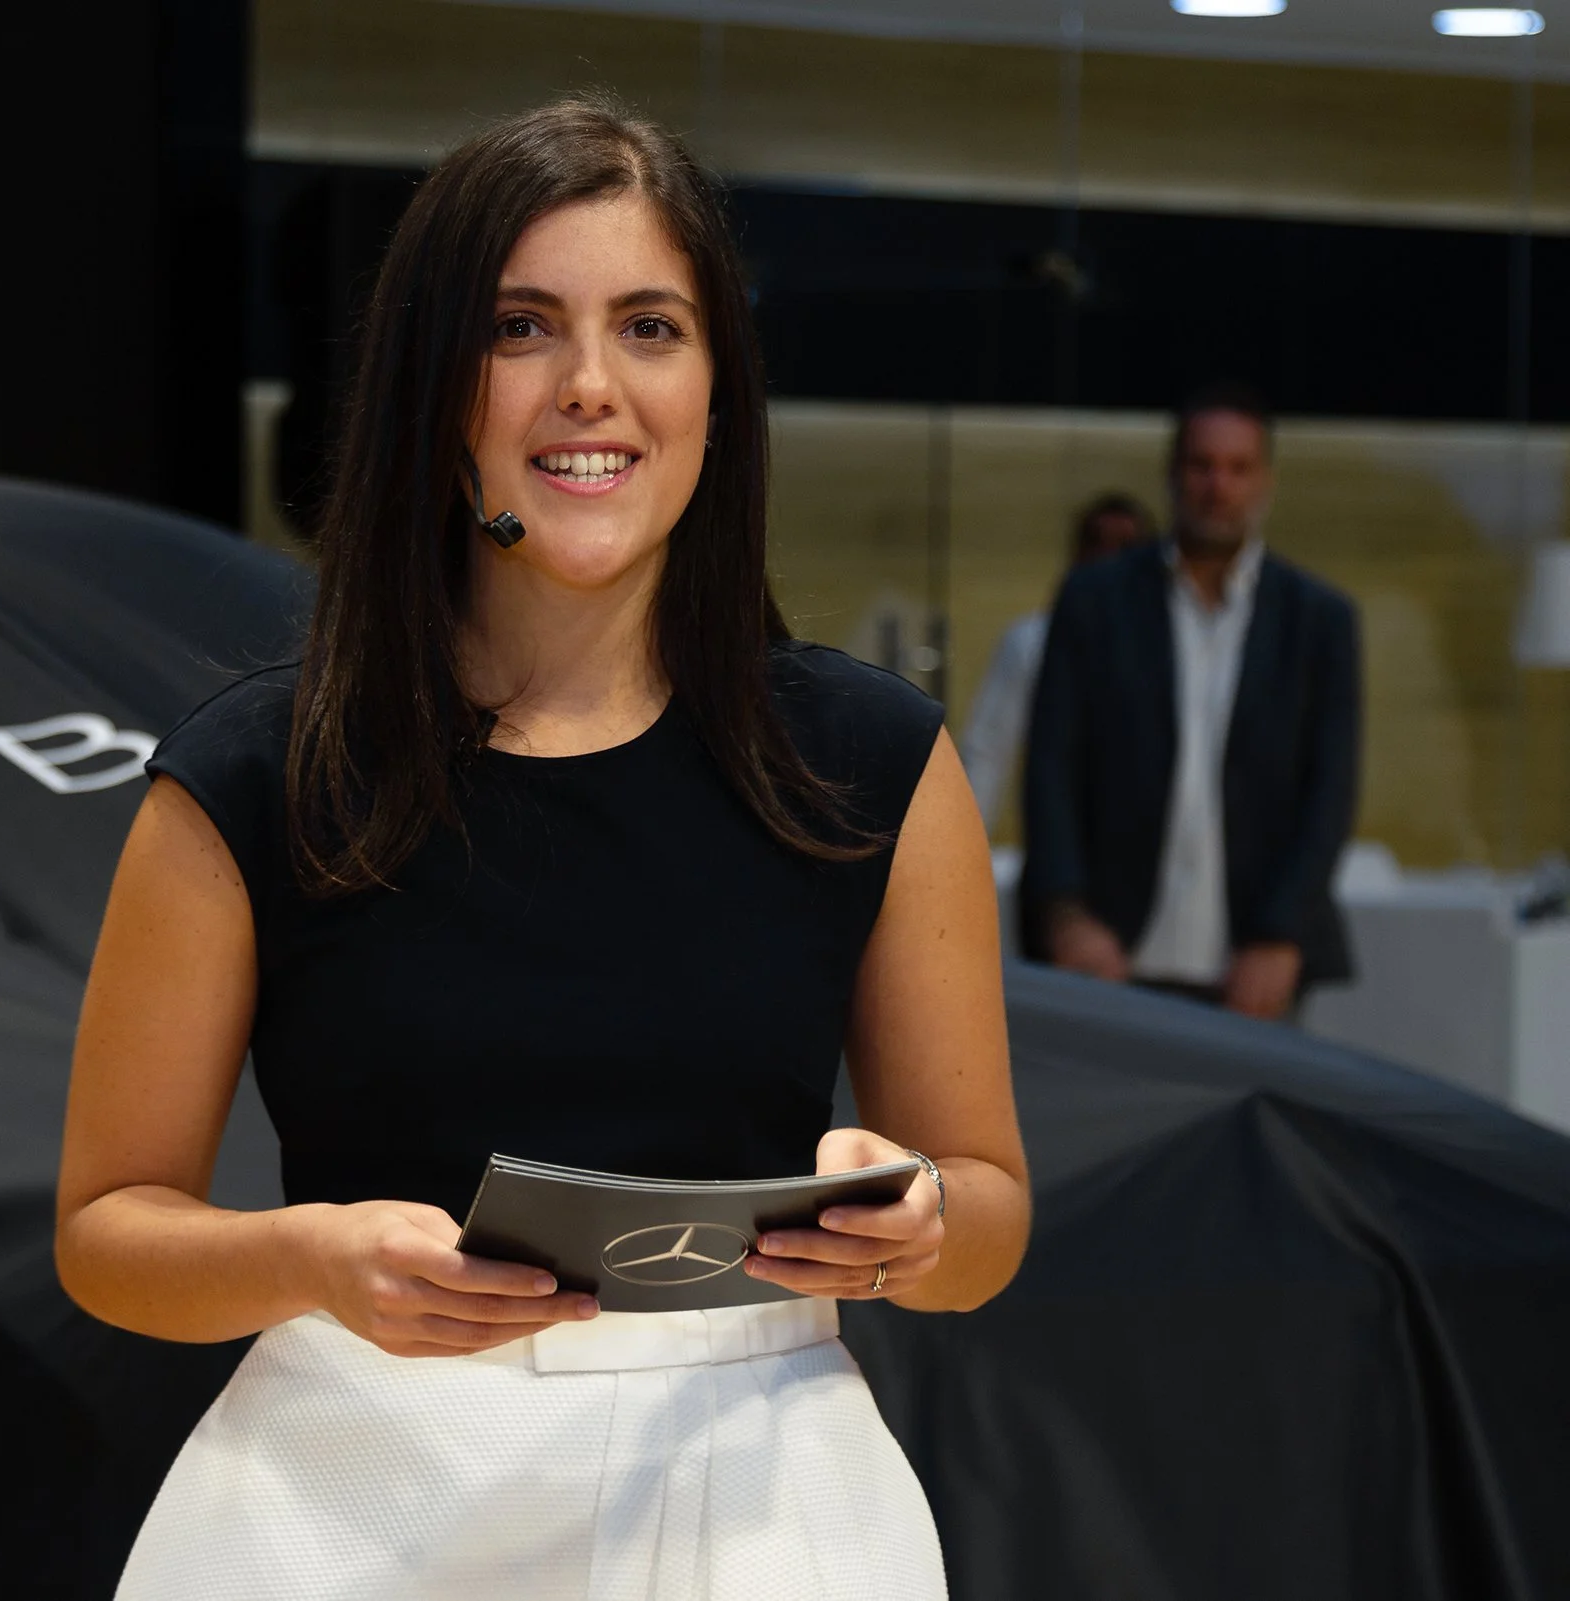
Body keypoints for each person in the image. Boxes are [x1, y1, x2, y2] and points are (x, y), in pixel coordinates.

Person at [56, 94, 1029, 1601]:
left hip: (762, 1488)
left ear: (718, 387)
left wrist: (916, 1223)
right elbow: (107, 1233)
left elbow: (988, 1219)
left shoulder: (868, 758)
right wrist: (313, 1261)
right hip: (349, 1486)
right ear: (437, 386)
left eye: (651, 328)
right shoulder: (260, 771)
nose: (591, 387)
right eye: (521, 330)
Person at [1020, 383, 1361, 1020]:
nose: (1218, 486)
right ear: (1173, 474)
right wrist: (1065, 916)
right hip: (1107, 955)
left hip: (1253, 962)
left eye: (1238, 468)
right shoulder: (1095, 600)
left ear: (1266, 481)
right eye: (1202, 465)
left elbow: (1330, 792)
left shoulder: (1318, 620)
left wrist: (1280, 933)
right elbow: (1051, 765)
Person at [958, 492, 1155, 831]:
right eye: (1096, 542)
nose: (1108, 556)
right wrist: (959, 852)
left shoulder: (1173, 651)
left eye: (1125, 545)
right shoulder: (1031, 642)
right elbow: (987, 753)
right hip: (1059, 846)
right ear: (1076, 553)